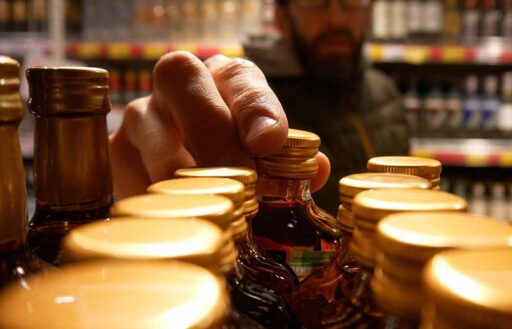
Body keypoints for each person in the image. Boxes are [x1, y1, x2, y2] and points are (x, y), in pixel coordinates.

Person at [109, 0, 409, 213]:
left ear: (369, 13)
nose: (336, 18)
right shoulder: (237, 105)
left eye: (352, 1)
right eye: (314, 2)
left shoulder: (388, 93)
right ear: (281, 17)